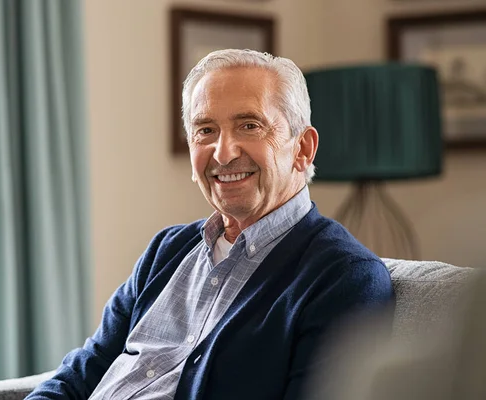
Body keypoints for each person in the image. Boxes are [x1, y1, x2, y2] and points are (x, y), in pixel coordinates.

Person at [26, 49, 394, 400]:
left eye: (249, 125)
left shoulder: (345, 278)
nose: (223, 152)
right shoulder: (166, 251)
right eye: (205, 130)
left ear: (302, 149)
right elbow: (78, 377)